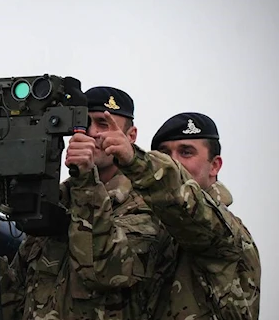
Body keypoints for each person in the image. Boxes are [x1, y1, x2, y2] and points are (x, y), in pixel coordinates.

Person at [0, 87, 177, 319]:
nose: (92, 133)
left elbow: (105, 272)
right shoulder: (56, 203)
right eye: (84, 123)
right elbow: (11, 311)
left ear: (131, 136)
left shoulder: (146, 205)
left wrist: (86, 181)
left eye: (103, 124)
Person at [102, 111, 261, 319]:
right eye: (164, 154)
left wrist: (135, 162)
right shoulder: (148, 228)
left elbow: (193, 211)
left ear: (215, 166)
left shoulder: (226, 229)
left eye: (186, 152)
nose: (174, 162)